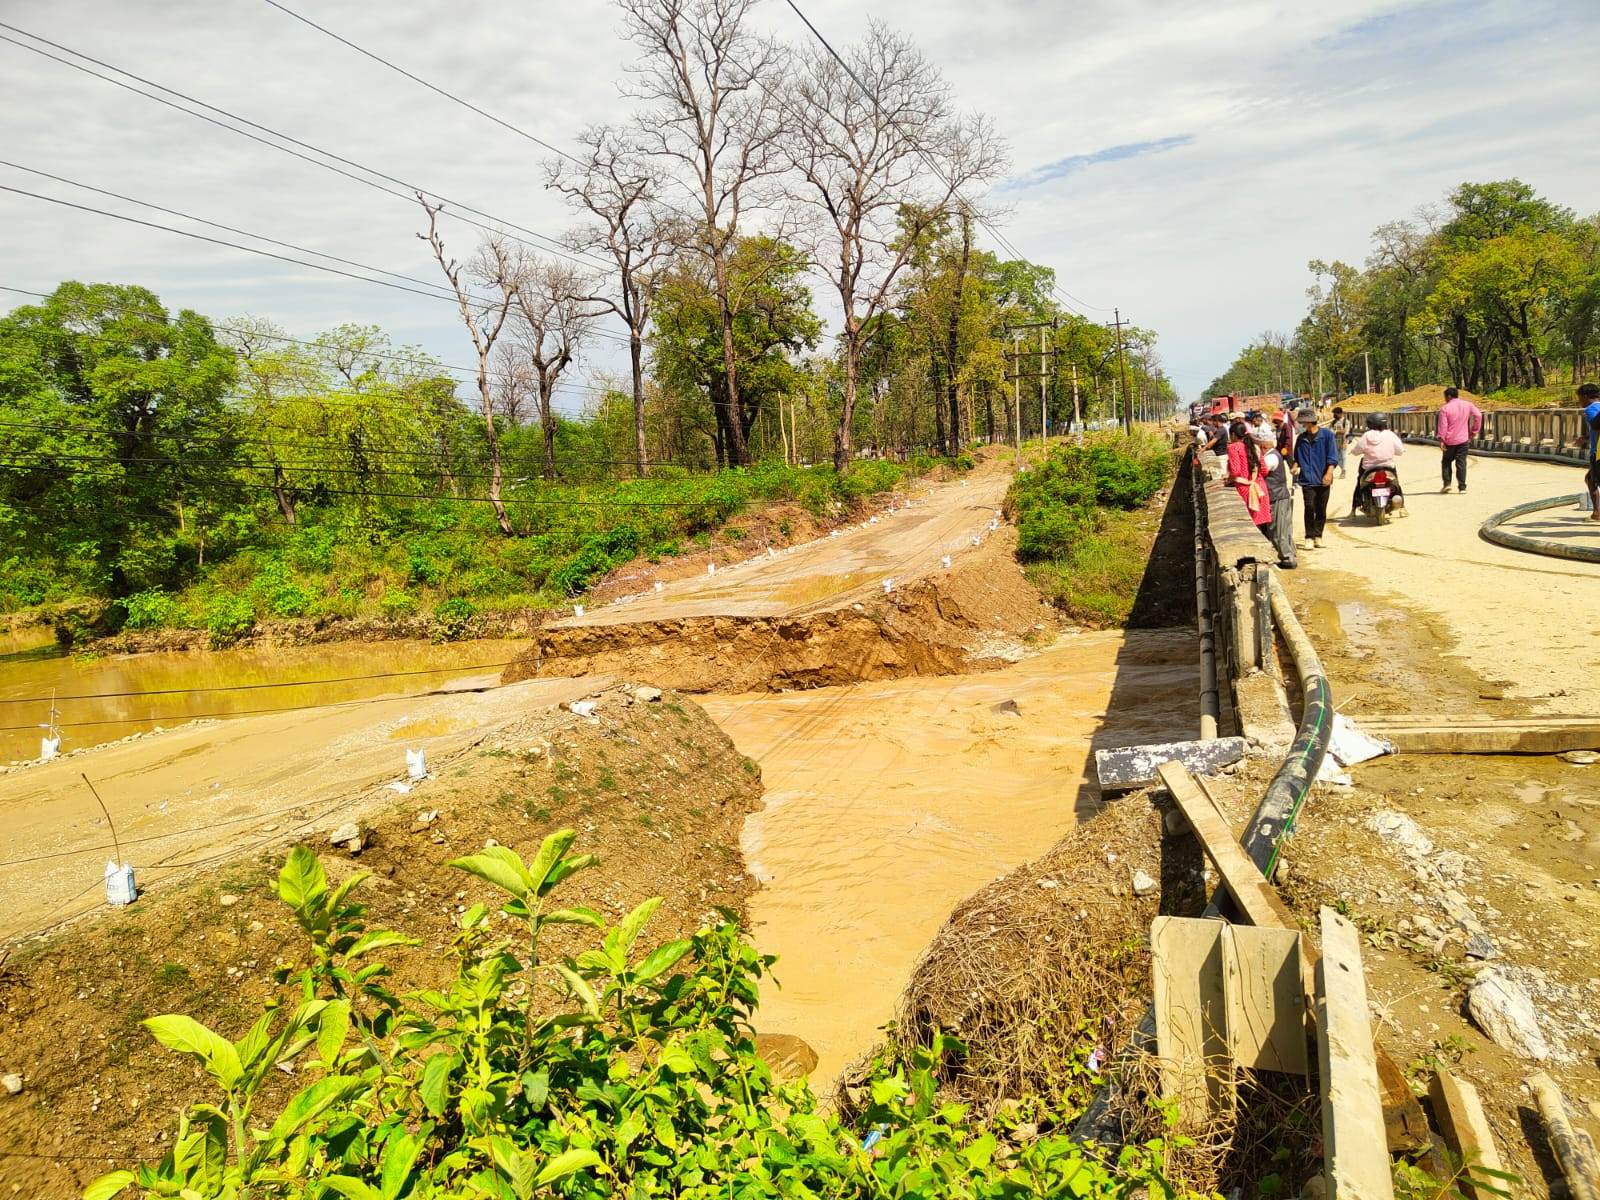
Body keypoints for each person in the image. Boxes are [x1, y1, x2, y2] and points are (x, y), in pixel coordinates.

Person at [1292, 408, 1338, 548]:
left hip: (1323, 478)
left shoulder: (1327, 436)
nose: (1301, 424)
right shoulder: (1301, 438)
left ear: (1309, 422)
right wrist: (1295, 466)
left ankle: (1318, 535)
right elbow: (1297, 457)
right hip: (1307, 479)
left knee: (1321, 508)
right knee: (1309, 507)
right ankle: (1309, 536)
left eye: (1303, 422)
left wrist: (1329, 473)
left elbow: (1332, 457)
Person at [1253, 422, 1296, 568]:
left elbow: (1259, 471)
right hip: (1277, 496)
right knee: (1282, 529)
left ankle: (1287, 558)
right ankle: (1288, 555)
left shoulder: (1270, 458)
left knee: (1279, 530)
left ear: (1263, 446)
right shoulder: (1273, 455)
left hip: (1277, 497)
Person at [1226, 419, 1273, 539]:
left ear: (1233, 435)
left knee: (1250, 526)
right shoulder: (1255, 447)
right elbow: (1264, 470)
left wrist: (1229, 479)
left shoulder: (1234, 447)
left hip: (1245, 489)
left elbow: (1236, 471)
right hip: (1260, 487)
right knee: (1262, 525)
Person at [1436, 386, 1483, 493]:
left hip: (1450, 440)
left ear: (1448, 396)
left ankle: (1447, 484)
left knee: (1446, 461)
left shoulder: (1445, 409)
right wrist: (1474, 431)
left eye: (1445, 397)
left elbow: (1443, 426)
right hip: (1463, 439)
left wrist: (1442, 440)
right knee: (1461, 463)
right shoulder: (1468, 405)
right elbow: (1478, 415)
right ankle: (1462, 487)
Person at [1581, 381, 1600, 523]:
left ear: (1586, 396)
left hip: (1597, 452)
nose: (1579, 402)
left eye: (1580, 398)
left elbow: (1597, 427)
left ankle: (1597, 512)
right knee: (1590, 479)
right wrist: (1585, 437)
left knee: (1591, 480)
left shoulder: (1590, 410)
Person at [1330, 406, 1351, 478]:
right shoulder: (1333, 422)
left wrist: (1345, 442)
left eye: (1336, 413)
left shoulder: (1346, 421)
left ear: (1340, 413)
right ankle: (1343, 469)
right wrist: (1338, 431)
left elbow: (1346, 432)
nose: (1335, 415)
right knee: (1337, 458)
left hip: (1343, 441)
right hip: (1335, 442)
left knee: (1344, 457)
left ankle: (1343, 472)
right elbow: (1330, 431)